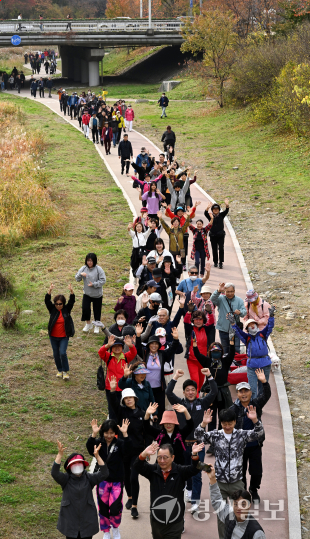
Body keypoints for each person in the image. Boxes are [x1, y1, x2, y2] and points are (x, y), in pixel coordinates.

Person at [195, 407, 265, 539]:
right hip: (219, 483)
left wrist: (255, 420)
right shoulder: (216, 435)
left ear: (235, 421)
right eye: (224, 424)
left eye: (230, 423)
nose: (227, 426)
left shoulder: (241, 434)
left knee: (240, 512)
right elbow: (198, 437)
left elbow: (259, 434)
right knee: (222, 516)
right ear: (220, 423)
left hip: (236, 482)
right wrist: (203, 424)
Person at [166, 368, 218, 513]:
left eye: (193, 390)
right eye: (187, 390)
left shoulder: (203, 402)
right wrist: (175, 377)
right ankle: (188, 491)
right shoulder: (178, 404)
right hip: (183, 445)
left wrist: (209, 376)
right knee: (184, 470)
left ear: (196, 391)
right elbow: (168, 393)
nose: (190, 392)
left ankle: (195, 501)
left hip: (198, 445)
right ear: (183, 392)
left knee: (197, 473)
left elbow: (214, 392)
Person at [133, 441, 204, 539]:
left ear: (173, 458)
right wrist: (144, 453)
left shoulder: (180, 471)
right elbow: (136, 466)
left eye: (165, 457)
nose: (162, 461)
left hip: (175, 523)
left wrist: (194, 454)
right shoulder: (153, 471)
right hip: (156, 521)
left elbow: (195, 469)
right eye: (159, 457)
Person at [51, 440, 108, 539]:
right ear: (69, 467)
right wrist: (60, 455)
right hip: (70, 523)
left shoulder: (89, 478)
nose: (77, 466)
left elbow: (104, 473)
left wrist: (98, 457)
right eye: (74, 464)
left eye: (79, 463)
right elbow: (54, 473)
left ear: (83, 465)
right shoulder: (65, 479)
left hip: (87, 522)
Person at [230, 373, 271, 503]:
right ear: (237, 394)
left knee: (256, 471)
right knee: (240, 472)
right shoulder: (233, 409)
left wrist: (264, 382)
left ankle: (254, 490)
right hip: (239, 447)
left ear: (250, 392)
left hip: (255, 445)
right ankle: (243, 493)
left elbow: (266, 395)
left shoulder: (256, 404)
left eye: (246, 391)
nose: (243, 394)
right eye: (240, 391)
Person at [87, 418, 131, 539]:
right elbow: (90, 448)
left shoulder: (120, 443)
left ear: (115, 433)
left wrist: (125, 434)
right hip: (102, 481)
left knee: (115, 507)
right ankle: (106, 531)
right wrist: (94, 434)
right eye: (106, 433)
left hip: (117, 481)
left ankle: (115, 528)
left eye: (112, 433)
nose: (109, 435)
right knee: (103, 507)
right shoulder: (99, 443)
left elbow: (128, 451)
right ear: (103, 433)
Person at [109, 381, 145, 519]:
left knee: (133, 477)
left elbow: (146, 432)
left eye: (131, 397)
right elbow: (113, 404)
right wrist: (113, 391)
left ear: (135, 398)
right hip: (123, 449)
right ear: (124, 400)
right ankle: (129, 497)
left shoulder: (142, 413)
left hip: (137, 450)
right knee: (125, 476)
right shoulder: (121, 412)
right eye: (126, 398)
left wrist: (146, 449)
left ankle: (134, 506)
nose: (129, 400)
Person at [206, 464, 266, 539]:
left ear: (249, 505)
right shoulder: (229, 515)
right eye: (236, 504)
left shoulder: (257, 534)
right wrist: (212, 479)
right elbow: (217, 502)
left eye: (243, 504)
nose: (238, 508)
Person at [228, 306, 275, 398]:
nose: (252, 326)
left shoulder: (263, 334)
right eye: (249, 325)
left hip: (265, 364)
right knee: (252, 389)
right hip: (252, 366)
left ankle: (259, 407)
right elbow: (237, 332)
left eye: (253, 324)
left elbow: (270, 326)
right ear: (247, 329)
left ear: (257, 326)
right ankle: (253, 408)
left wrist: (272, 316)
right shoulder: (246, 338)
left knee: (263, 388)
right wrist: (233, 323)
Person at [193, 336, 235, 438]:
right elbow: (197, 355)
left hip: (223, 393)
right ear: (210, 352)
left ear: (221, 352)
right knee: (211, 416)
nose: (216, 352)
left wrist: (232, 342)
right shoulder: (207, 362)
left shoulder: (225, 362)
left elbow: (232, 354)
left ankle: (221, 437)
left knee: (223, 416)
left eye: (218, 351)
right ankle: (212, 439)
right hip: (210, 393)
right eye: (213, 351)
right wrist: (194, 344)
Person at [143, 328, 181, 421]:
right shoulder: (144, 354)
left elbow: (172, 350)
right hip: (146, 387)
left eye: (156, 344)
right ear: (148, 345)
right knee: (146, 409)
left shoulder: (162, 354)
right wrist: (139, 335)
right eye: (152, 343)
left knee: (160, 410)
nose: (154, 346)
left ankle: (159, 430)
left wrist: (176, 339)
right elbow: (135, 347)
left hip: (159, 388)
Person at [98, 335, 137, 420]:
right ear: (111, 348)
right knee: (112, 408)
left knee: (124, 407)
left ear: (122, 348)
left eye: (119, 346)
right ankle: (113, 428)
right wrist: (107, 345)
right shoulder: (108, 357)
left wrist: (130, 345)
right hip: (110, 387)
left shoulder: (126, 357)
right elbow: (100, 352)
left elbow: (134, 352)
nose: (117, 348)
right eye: (114, 346)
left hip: (123, 387)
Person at [45, 283, 75, 381]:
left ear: (63, 303)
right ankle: (60, 370)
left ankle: (65, 372)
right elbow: (46, 301)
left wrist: (71, 291)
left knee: (62, 353)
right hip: (53, 336)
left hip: (63, 336)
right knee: (56, 354)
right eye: (56, 304)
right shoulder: (52, 310)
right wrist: (49, 291)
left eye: (60, 304)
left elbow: (72, 301)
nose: (58, 305)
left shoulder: (66, 310)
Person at [183, 308, 216, 396]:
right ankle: (196, 402)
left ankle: (196, 398)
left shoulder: (206, 329)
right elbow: (186, 321)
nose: (198, 321)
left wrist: (210, 312)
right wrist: (189, 312)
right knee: (195, 382)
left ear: (203, 320)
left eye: (200, 319)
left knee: (201, 383)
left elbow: (211, 322)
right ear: (193, 320)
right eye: (196, 319)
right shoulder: (190, 329)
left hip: (203, 361)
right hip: (192, 360)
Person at [211, 282, 247, 354]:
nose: (230, 293)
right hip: (223, 328)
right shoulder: (221, 298)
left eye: (231, 291)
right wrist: (218, 291)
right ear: (224, 291)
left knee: (236, 349)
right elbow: (212, 299)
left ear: (234, 291)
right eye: (228, 291)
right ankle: (227, 364)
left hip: (235, 329)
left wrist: (239, 312)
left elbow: (244, 312)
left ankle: (236, 364)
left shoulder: (239, 300)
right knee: (225, 349)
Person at [75, 253, 106, 333]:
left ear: (94, 261)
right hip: (87, 293)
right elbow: (77, 279)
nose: (89, 262)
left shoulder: (99, 269)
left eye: (91, 261)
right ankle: (88, 324)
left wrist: (94, 284)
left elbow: (103, 280)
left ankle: (97, 325)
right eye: (88, 260)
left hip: (97, 294)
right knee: (85, 309)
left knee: (97, 310)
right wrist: (80, 274)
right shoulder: (83, 268)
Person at [204, 199, 230, 269]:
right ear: (212, 210)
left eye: (217, 209)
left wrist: (227, 205)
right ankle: (215, 262)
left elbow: (226, 211)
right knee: (214, 249)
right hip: (213, 235)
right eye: (214, 209)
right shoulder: (210, 216)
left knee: (221, 248)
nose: (215, 210)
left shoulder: (221, 215)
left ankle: (221, 262)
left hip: (221, 235)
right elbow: (205, 213)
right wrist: (207, 208)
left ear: (219, 210)